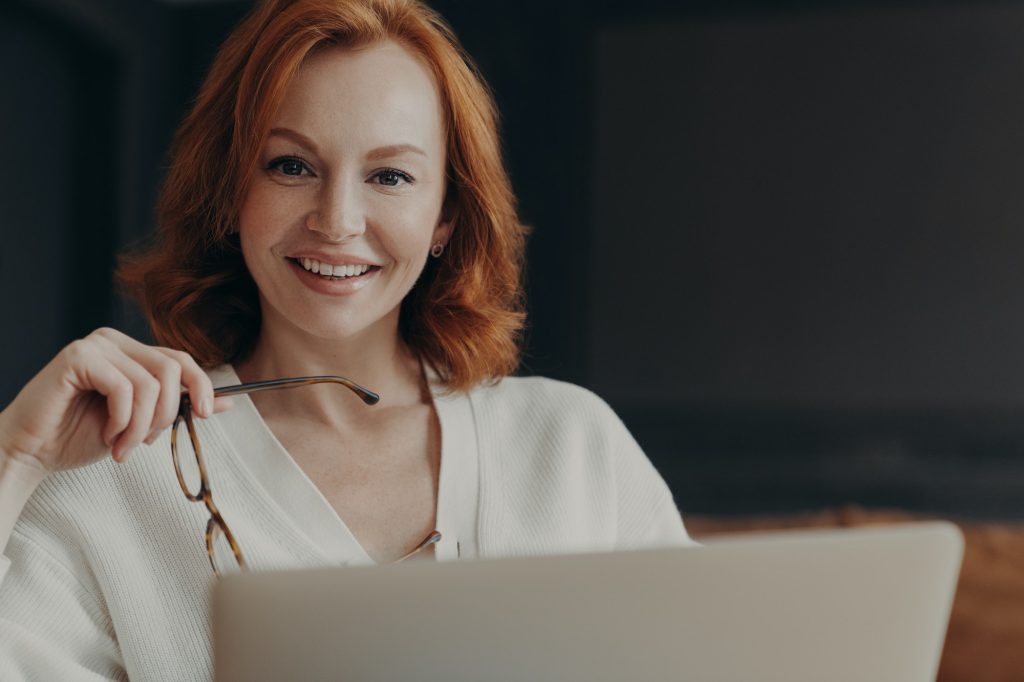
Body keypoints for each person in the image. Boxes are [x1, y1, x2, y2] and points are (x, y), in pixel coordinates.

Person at [0, 0, 692, 678]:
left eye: (389, 176)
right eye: (291, 166)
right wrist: (13, 456)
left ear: (445, 216)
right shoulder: (110, 476)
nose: (337, 221)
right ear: (230, 192)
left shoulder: (573, 448)